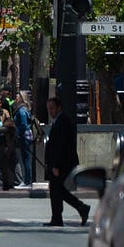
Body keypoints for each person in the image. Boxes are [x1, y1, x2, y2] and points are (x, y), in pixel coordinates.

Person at [43, 96, 90, 227]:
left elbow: (61, 146)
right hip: (58, 163)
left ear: (59, 108)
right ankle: (75, 210)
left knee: (57, 189)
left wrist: (56, 165)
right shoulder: (58, 121)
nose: (50, 111)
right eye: (48, 109)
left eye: (52, 108)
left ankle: (63, 215)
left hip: (62, 164)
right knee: (57, 190)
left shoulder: (63, 122)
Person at [12, 91, 35, 189]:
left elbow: (23, 125)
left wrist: (19, 134)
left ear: (22, 98)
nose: (16, 98)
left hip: (24, 136)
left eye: (17, 97)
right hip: (26, 135)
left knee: (26, 159)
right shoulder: (24, 109)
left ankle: (27, 181)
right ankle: (27, 181)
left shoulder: (21, 111)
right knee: (26, 158)